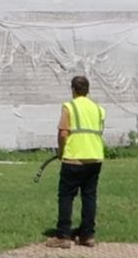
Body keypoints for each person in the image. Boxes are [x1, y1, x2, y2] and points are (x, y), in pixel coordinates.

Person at [45, 75, 106, 249]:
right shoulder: (98, 109)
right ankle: (87, 235)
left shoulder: (69, 107)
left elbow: (63, 133)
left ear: (73, 89)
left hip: (74, 158)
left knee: (66, 196)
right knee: (89, 196)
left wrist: (61, 151)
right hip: (95, 158)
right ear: (88, 90)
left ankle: (63, 235)